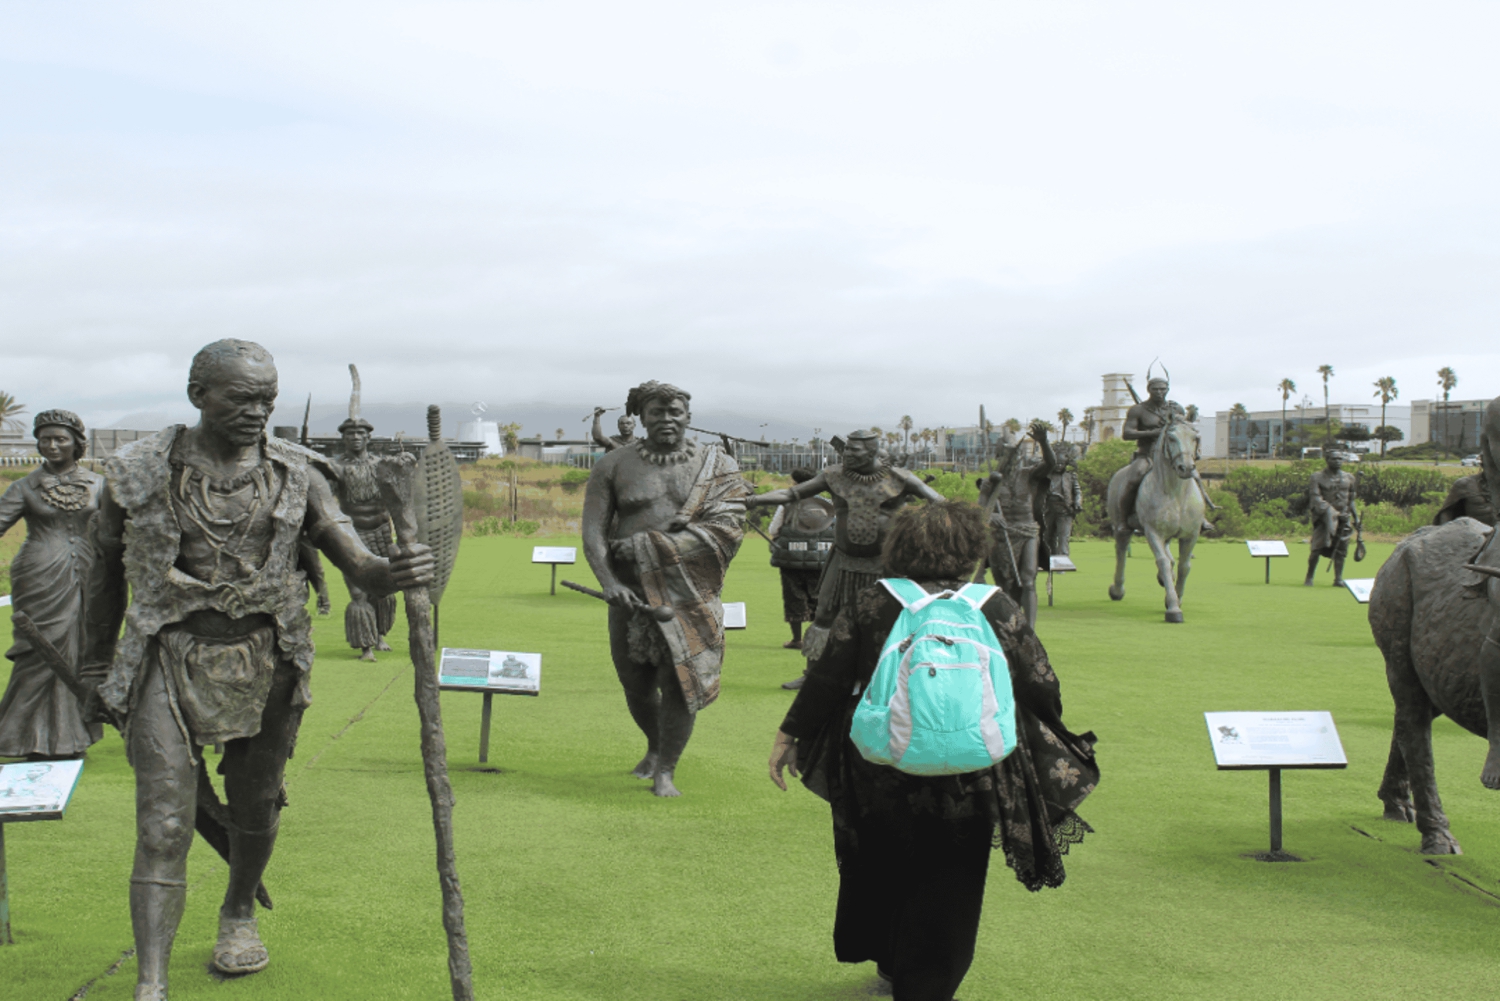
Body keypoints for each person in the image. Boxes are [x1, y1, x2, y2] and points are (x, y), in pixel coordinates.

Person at [82, 339, 432, 999]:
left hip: (268, 657)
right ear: (199, 395)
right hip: (167, 651)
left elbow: (357, 561)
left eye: (267, 398)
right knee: (162, 821)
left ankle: (238, 908)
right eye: (241, 397)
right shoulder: (134, 471)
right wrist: (96, 670)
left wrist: (394, 571)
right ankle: (151, 981)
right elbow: (102, 580)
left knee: (257, 806)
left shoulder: (298, 473)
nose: (257, 410)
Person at [768, 501, 1097, 1001]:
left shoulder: (873, 603)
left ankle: (892, 964)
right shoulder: (995, 605)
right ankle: (929, 984)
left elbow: (827, 679)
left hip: (882, 766)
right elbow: (1039, 683)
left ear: (898, 549)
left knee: (883, 859)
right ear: (970, 551)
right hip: (971, 768)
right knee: (953, 877)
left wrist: (789, 736)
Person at [582, 380, 747, 797]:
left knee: (679, 681)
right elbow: (593, 532)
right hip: (631, 594)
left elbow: (729, 528)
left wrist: (651, 546)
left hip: (690, 591)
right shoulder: (614, 464)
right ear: (641, 417)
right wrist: (610, 582)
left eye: (675, 412)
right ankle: (655, 747)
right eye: (657, 412)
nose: (667, 419)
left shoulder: (718, 466)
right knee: (635, 683)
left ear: (688, 417)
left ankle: (667, 770)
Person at [747, 430, 943, 686]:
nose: (847, 453)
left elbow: (940, 504)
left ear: (872, 451)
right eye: (847, 449)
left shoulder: (901, 479)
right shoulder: (833, 476)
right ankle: (813, 675)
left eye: (854, 450)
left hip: (888, 563)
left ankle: (890, 677)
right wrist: (750, 500)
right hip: (842, 560)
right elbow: (790, 495)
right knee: (824, 615)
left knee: (892, 618)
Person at [0, 409, 105, 759]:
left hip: (89, 574)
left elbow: (121, 530)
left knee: (80, 651)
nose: (52, 445)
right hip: (40, 575)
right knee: (39, 650)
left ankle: (71, 735)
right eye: (45, 439)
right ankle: (16, 734)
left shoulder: (98, 484)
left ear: (77, 443)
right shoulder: (24, 486)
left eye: (60, 439)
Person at [331, 368, 397, 661]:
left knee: (381, 589)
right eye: (350, 434)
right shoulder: (335, 468)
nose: (355, 438)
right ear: (343, 438)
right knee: (358, 593)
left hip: (383, 532)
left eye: (360, 433)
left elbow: (399, 498)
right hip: (352, 534)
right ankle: (366, 646)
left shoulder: (381, 465)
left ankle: (380, 635)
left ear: (368, 437)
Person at [976, 420, 1055, 626]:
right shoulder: (990, 483)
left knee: (1028, 581)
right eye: (1007, 455)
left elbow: (1050, 464)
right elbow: (979, 512)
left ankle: (1030, 630)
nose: (1013, 460)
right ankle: (1010, 625)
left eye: (1016, 455)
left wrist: (1044, 442)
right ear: (999, 456)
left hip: (1028, 532)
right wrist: (991, 516)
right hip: (1001, 536)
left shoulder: (1028, 475)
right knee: (1006, 584)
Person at [767, 467, 835, 651]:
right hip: (821, 559)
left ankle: (797, 639)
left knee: (794, 597)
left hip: (791, 560)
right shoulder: (828, 503)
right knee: (818, 598)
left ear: (795, 483)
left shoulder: (787, 504)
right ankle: (819, 639)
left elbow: (773, 530)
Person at [1306, 450, 1359, 586]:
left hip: (1344, 517)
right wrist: (1332, 513)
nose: (1337, 461)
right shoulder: (1317, 477)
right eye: (1334, 459)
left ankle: (1338, 578)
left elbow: (1351, 500)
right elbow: (1316, 498)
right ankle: (1310, 577)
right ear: (1327, 460)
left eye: (1340, 458)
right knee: (1316, 548)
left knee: (1341, 549)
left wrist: (1356, 517)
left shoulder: (1349, 478)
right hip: (1325, 517)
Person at [1041, 441, 1084, 559]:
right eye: (1056, 463)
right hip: (1048, 510)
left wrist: (1077, 502)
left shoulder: (1070, 476)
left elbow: (1077, 491)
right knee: (1047, 536)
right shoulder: (1046, 476)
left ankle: (1063, 560)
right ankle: (1048, 558)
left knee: (1063, 537)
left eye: (1061, 464)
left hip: (1065, 510)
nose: (1059, 466)